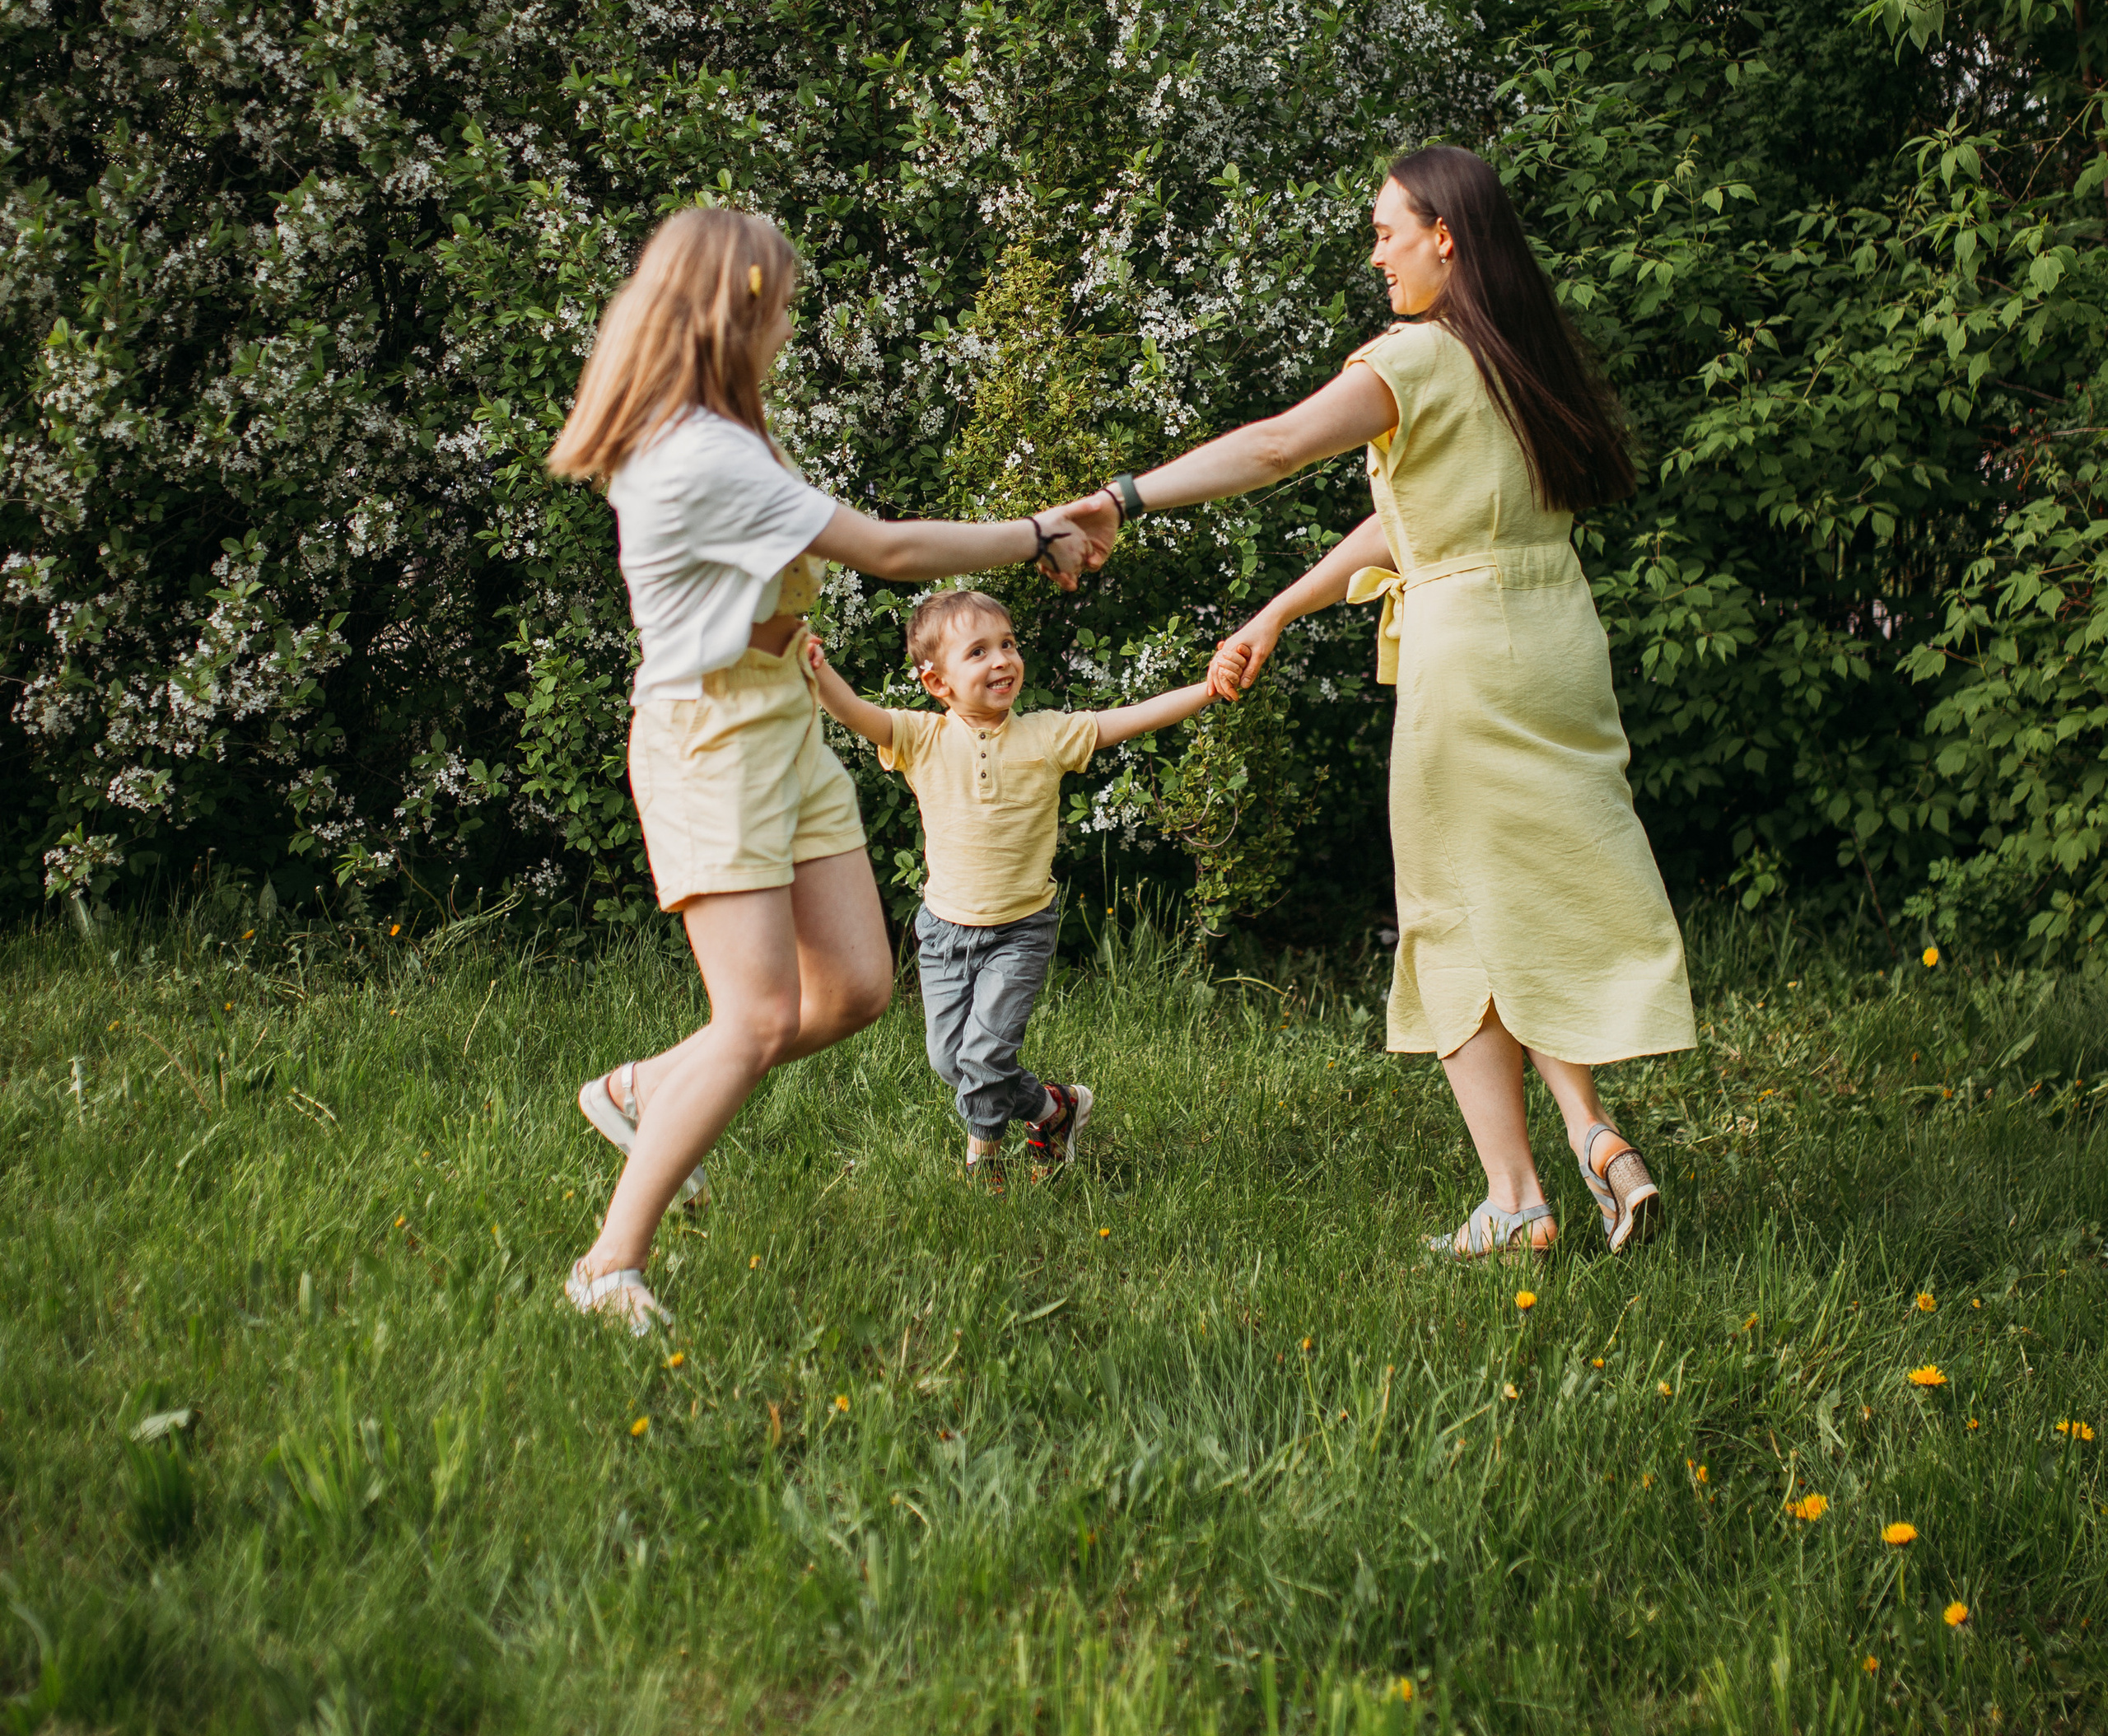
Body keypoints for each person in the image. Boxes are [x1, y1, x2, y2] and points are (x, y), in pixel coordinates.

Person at [1062, 145, 1693, 1262]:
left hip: (1469, 657)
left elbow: (1274, 446)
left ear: (1445, 237)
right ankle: (1594, 1138)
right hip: (1553, 635)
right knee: (1529, 890)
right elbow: (1416, 522)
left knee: (1454, 910)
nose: (1376, 253)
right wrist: (1280, 610)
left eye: (1388, 231)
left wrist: (1124, 497)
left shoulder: (1418, 354)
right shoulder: (1518, 358)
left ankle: (1515, 1199)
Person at [545, 206, 1093, 1332]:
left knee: (852, 988)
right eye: (780, 304)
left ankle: (646, 1089)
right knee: (750, 1020)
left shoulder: (725, 433)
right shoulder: (691, 452)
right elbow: (888, 552)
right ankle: (609, 1264)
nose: (790, 323)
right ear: (731, 309)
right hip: (711, 745)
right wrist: (1038, 532)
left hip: (780, 722)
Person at [809, 590, 1212, 1191]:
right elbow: (855, 712)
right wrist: (812, 668)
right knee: (951, 1061)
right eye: (979, 651)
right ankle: (1054, 1110)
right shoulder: (920, 739)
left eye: (1008, 644)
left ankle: (983, 1161)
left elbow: (1130, 719)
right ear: (938, 682)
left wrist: (1208, 688)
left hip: (1021, 931)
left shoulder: (1049, 736)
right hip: (944, 931)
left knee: (983, 1056)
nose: (1002, 659)